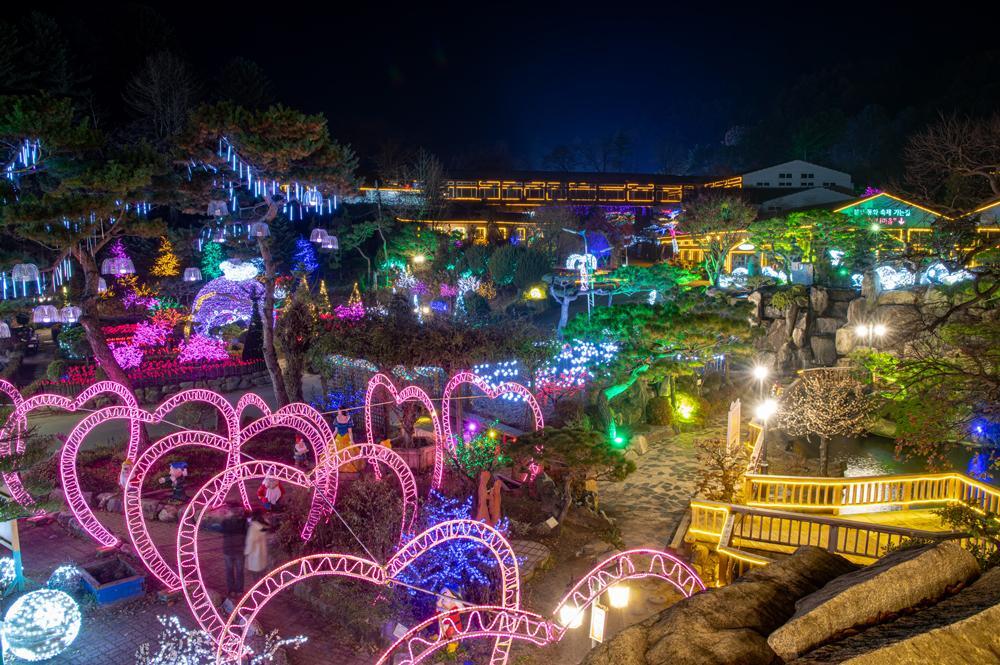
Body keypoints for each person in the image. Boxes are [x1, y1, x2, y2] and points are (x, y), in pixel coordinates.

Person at [219, 506, 249, 598]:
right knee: (239, 571)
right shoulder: (244, 522)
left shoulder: (226, 522)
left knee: (230, 570)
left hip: (228, 549)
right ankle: (239, 590)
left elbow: (222, 528)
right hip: (238, 550)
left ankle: (231, 590)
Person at [245, 510, 270, 585]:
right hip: (263, 550)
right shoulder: (265, 524)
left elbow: (250, 540)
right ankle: (264, 585)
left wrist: (247, 552)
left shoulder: (253, 527)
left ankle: (257, 586)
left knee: (255, 571)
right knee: (263, 570)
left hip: (254, 552)